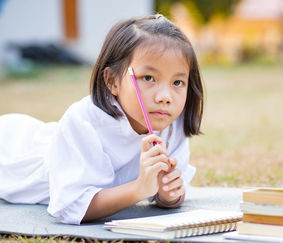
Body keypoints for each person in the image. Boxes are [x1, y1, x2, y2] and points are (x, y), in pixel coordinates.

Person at [0, 14, 204, 225]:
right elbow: (71, 206)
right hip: (12, 153)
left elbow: (171, 193)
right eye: (149, 78)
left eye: (178, 82)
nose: (165, 97)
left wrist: (168, 194)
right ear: (112, 81)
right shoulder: (83, 122)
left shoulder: (173, 126)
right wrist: (138, 189)